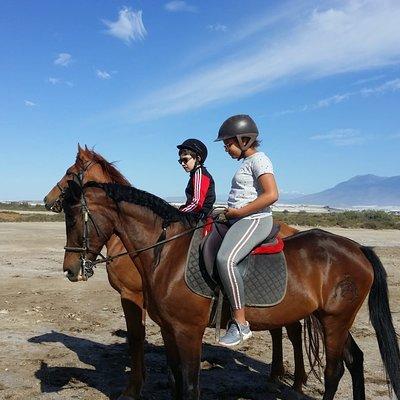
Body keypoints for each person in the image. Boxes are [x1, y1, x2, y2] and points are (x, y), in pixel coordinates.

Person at [214, 115, 278, 347]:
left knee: (226, 259)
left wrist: (239, 213)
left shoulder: (260, 160)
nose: (226, 149)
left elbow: (271, 195)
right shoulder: (247, 163)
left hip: (255, 220)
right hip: (241, 219)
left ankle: (241, 324)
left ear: (243, 140)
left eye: (228, 144)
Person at [177, 139, 216, 220]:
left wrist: (178, 215)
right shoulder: (195, 174)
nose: (183, 164)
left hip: (201, 218)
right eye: (180, 161)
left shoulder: (199, 174)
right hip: (198, 216)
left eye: (185, 160)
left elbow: (197, 203)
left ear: (198, 159)